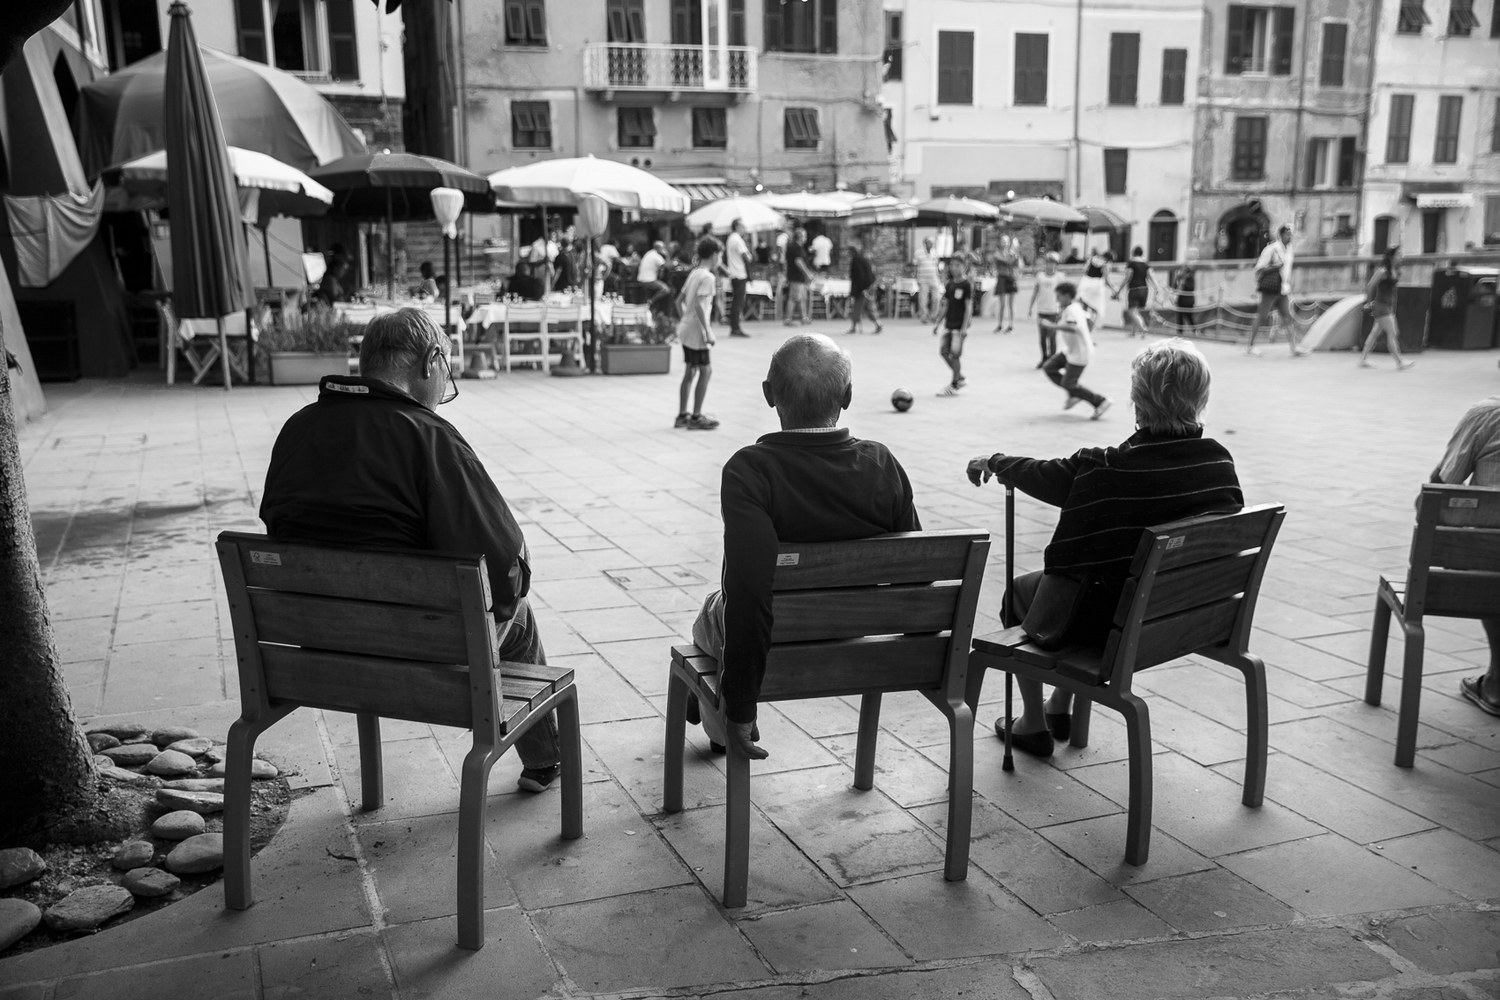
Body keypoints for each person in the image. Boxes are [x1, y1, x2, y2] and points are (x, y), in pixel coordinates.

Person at [259, 309, 564, 793]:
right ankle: (545, 761)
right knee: (520, 616)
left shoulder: (297, 429)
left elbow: (278, 525)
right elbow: (504, 562)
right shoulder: (428, 435)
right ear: (430, 362)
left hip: (318, 652)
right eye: (446, 370)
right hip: (420, 659)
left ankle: (543, 760)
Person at [965, 338, 1243, 755]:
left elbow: (1048, 474)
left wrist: (995, 461)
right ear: (1201, 398)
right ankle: (1059, 705)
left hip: (1110, 624)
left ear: (1137, 399)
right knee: (1094, 580)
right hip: (1178, 618)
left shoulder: (1105, 468)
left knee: (1021, 594)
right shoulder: (1218, 463)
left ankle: (1033, 722)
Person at [687, 334, 921, 757]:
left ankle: (718, 722)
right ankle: (707, 692)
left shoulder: (750, 471)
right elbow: (917, 575)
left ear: (768, 394)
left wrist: (742, 706)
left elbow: (750, 593)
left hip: (781, 634)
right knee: (720, 610)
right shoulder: (881, 463)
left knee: (711, 612)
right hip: (860, 631)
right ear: (847, 396)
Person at [1432, 395, 1500, 716]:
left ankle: (1498, 683)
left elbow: (1437, 497)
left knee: (1488, 554)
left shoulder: (1488, 415)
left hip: (1486, 573)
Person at [1039, 281, 1110, 420]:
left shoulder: (1072, 309)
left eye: (1058, 296)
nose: (1056, 299)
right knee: (1049, 367)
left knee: (1068, 383)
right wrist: (1087, 335)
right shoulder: (1075, 306)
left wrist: (1051, 326)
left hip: (1080, 354)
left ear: (1067, 296)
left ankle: (1100, 401)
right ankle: (1074, 394)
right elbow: (1089, 320)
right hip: (1069, 351)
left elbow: (1072, 327)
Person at [674, 236, 722, 431]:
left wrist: (685, 319)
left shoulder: (695, 273)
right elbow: (700, 306)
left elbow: (679, 302)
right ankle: (695, 417)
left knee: (690, 370)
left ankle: (682, 415)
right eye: (720, 255)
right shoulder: (708, 277)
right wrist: (707, 331)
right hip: (696, 332)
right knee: (705, 370)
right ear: (714, 255)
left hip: (686, 328)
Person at [1246, 224, 1308, 357]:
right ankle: (1250, 345)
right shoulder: (1272, 249)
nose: (1289, 237)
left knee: (1287, 317)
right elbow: (1259, 268)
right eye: (1287, 234)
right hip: (1271, 288)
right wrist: (1274, 267)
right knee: (1262, 315)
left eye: (1291, 234)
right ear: (1281, 235)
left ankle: (1293, 347)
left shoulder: (1289, 249)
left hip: (1283, 288)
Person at [1360, 248, 1415, 370]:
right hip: (1381, 305)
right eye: (1398, 254)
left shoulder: (1395, 270)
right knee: (1393, 332)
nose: (1401, 256)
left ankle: (1363, 359)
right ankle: (1399, 361)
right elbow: (1370, 286)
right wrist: (1369, 303)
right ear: (1391, 257)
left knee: (1375, 333)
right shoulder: (1383, 271)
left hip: (1388, 305)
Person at [934, 254, 973, 397]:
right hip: (948, 325)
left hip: (959, 327)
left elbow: (968, 308)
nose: (954, 268)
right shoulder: (949, 284)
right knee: (944, 352)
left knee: (955, 356)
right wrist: (938, 323)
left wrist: (964, 327)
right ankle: (960, 377)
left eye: (958, 265)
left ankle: (954, 384)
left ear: (964, 267)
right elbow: (946, 305)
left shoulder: (966, 285)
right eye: (952, 265)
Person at [1028, 251, 1063, 368]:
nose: (1050, 265)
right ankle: (1044, 357)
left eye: (1053, 263)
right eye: (1048, 263)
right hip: (1042, 310)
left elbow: (1063, 294)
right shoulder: (1040, 276)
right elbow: (1035, 292)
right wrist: (1030, 307)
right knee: (1043, 337)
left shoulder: (1059, 277)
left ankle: (1053, 360)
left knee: (1052, 336)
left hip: (1054, 310)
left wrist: (1062, 310)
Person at [1116, 246, 1156, 338]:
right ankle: (1133, 332)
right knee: (1136, 311)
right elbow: (1150, 276)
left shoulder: (1131, 263)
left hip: (1134, 289)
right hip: (1144, 289)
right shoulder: (1146, 264)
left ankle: (1143, 328)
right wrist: (1156, 287)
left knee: (1131, 312)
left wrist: (1119, 289)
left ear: (1133, 253)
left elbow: (1127, 277)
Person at [846, 236, 882, 335]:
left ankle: (854, 327)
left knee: (859, 307)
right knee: (868, 306)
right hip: (867, 286)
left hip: (863, 288)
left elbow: (861, 275)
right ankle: (877, 324)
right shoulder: (861, 259)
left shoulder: (856, 260)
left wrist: (863, 288)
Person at [724, 219, 753, 339]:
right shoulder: (737, 239)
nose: (744, 229)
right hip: (739, 273)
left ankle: (734, 326)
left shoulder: (731, 238)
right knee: (738, 302)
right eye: (742, 226)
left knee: (736, 301)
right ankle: (735, 328)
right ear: (737, 226)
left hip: (734, 273)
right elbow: (748, 257)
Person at [783, 227, 814, 326]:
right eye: (804, 236)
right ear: (800, 237)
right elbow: (798, 261)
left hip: (794, 276)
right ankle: (788, 319)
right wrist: (807, 273)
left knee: (801, 297)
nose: (806, 238)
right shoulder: (797, 248)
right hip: (796, 276)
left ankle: (804, 317)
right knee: (794, 297)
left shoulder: (791, 246)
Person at [1078, 248, 1111, 330]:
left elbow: (1084, 270)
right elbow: (1106, 280)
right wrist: (1115, 289)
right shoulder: (1105, 265)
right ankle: (1090, 328)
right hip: (1097, 286)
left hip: (1085, 283)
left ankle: (1083, 325)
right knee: (1095, 309)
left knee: (1084, 307)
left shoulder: (1091, 259)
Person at [992, 237, 1018, 333]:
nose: (1005, 243)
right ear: (999, 243)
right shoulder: (997, 254)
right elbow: (1007, 262)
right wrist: (1014, 253)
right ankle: (1000, 325)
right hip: (1002, 278)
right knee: (1002, 304)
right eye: (1003, 241)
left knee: (1011, 304)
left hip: (1011, 278)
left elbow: (1017, 264)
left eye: (1007, 241)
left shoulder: (1012, 253)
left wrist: (1015, 254)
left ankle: (1011, 325)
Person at [638, 240, 671, 315]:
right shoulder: (656, 256)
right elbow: (668, 266)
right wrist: (667, 255)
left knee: (661, 287)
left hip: (642, 279)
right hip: (648, 280)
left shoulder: (649, 253)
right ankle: (650, 302)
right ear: (659, 248)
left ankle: (654, 308)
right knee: (666, 290)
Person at [915, 238, 944, 323]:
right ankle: (924, 316)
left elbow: (937, 265)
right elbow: (916, 266)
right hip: (923, 279)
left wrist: (940, 275)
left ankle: (934, 315)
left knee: (936, 298)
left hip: (934, 278)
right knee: (923, 299)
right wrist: (917, 278)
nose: (930, 245)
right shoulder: (919, 253)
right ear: (925, 244)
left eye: (931, 243)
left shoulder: (935, 253)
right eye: (929, 243)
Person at [1171, 259, 1197, 333]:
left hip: (1188, 301)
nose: (1182, 271)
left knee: (1189, 316)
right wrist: (1177, 279)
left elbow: (1191, 288)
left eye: (1183, 270)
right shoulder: (1179, 278)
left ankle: (1194, 330)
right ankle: (1180, 332)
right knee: (1179, 317)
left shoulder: (1190, 278)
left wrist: (1183, 284)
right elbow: (1174, 287)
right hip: (1180, 300)